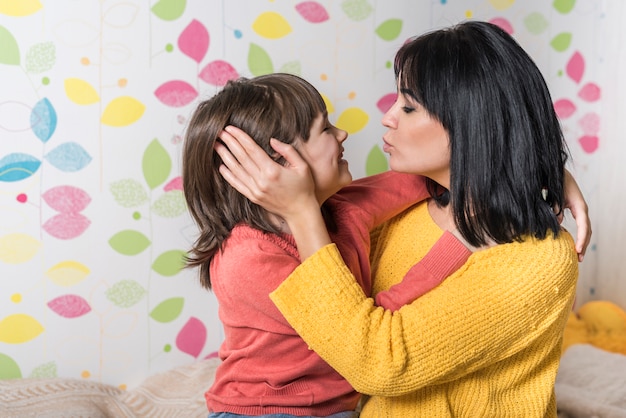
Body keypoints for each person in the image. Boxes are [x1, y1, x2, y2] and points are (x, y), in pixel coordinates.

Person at [215, 21, 592, 417]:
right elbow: (353, 318)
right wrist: (542, 172)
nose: (387, 118)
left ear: (470, 123)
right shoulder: (398, 211)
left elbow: (378, 364)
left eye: (409, 107)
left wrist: (541, 171)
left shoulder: (538, 259)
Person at [182, 73, 474, 417]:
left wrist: (522, 175)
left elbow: (421, 178)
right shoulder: (249, 259)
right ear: (277, 166)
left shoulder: (341, 209)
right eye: (324, 130)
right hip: (263, 410)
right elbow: (356, 331)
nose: (342, 134)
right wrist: (457, 244)